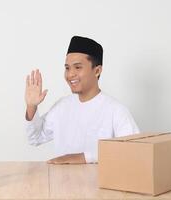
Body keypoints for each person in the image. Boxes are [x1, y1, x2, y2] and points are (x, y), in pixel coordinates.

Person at [25, 36, 139, 164]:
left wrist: (81, 158)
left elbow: (133, 150)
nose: (70, 74)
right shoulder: (62, 106)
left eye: (78, 67)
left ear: (97, 71)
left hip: (100, 183)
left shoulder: (116, 110)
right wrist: (31, 106)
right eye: (67, 68)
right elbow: (35, 138)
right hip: (61, 182)